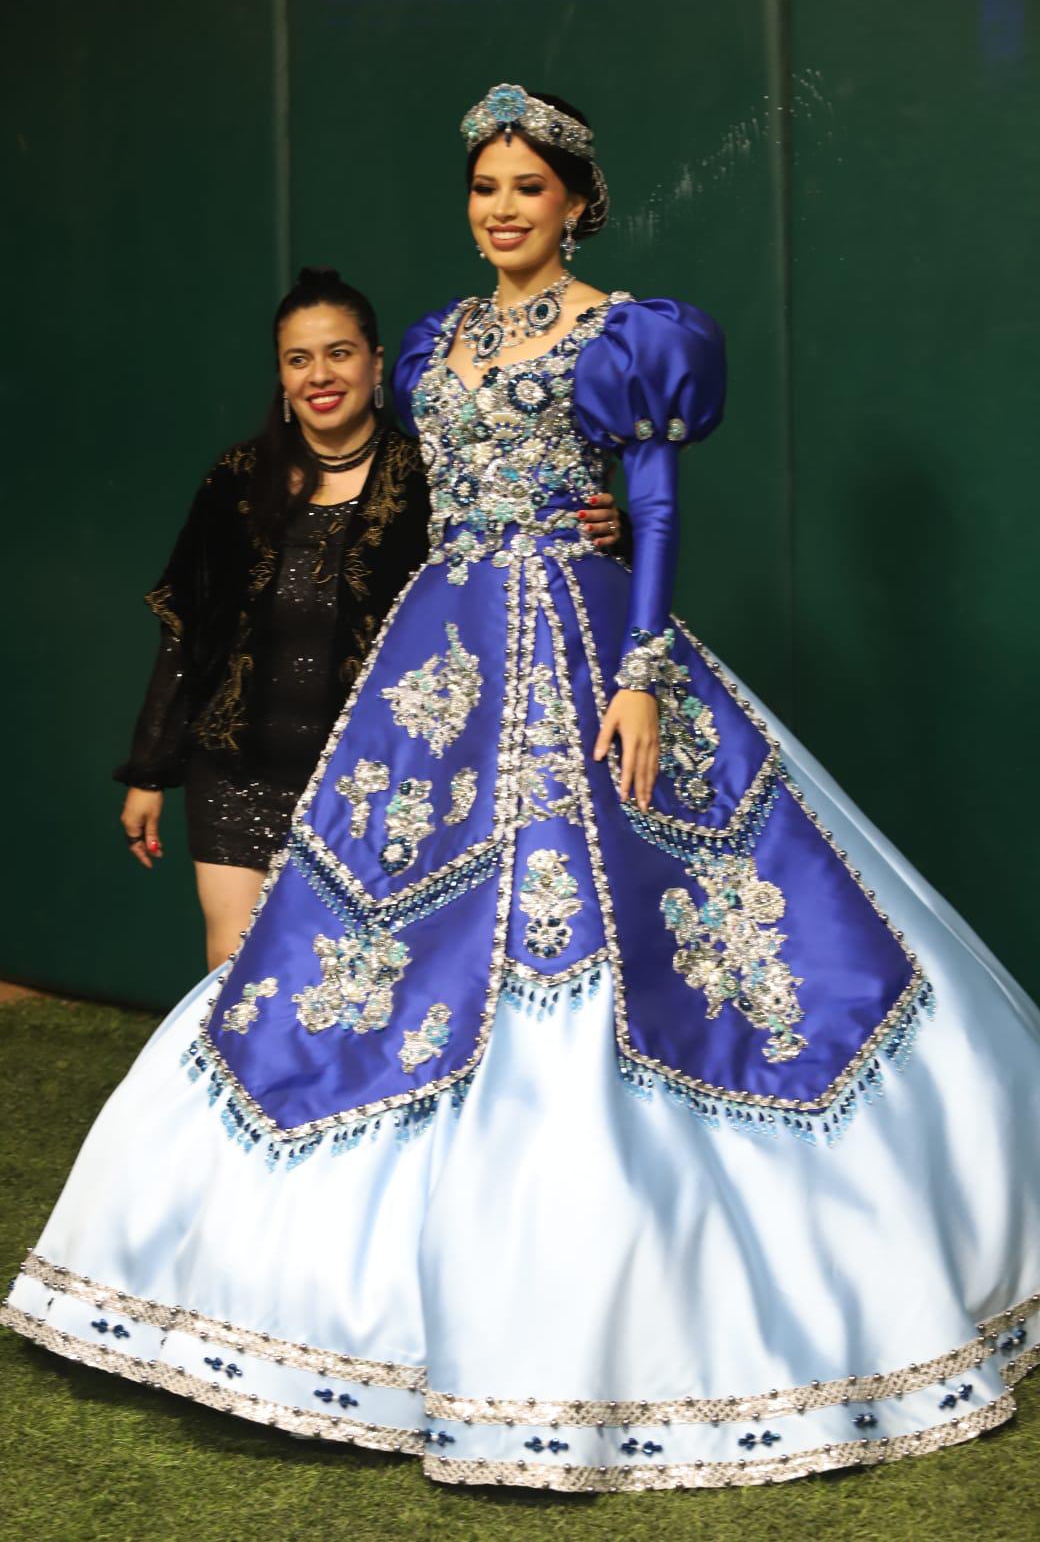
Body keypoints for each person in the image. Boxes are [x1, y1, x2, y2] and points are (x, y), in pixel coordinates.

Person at [4, 85, 1038, 1495]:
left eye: (526, 190)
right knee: (379, 937)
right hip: (447, 656)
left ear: (575, 203)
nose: (501, 208)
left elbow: (660, 507)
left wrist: (638, 671)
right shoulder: (435, 338)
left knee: (652, 927)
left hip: (590, 640)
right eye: (484, 186)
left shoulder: (631, 336)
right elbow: (401, 496)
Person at [115, 267, 627, 969]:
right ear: (282, 376)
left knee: (355, 986)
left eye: (339, 353)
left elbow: (508, 562)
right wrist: (149, 771)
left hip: (378, 780)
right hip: (237, 773)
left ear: (376, 363)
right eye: (298, 359)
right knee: (234, 980)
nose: (319, 374)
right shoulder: (236, 478)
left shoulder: (433, 474)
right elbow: (186, 625)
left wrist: (604, 529)